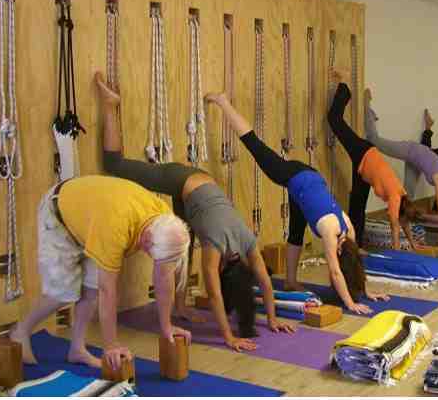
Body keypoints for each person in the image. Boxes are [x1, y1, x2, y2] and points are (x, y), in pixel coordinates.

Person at [95, 73, 293, 352]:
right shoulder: (214, 246)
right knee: (114, 165)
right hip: (181, 180)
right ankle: (110, 104)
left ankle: (179, 306)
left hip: (201, 187)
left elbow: (264, 282)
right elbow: (214, 294)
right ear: (224, 270)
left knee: (183, 248)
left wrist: (272, 318)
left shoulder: (248, 241)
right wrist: (229, 337)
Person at [205, 91, 388, 315]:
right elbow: (336, 271)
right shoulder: (332, 233)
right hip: (294, 176)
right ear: (340, 250)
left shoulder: (349, 229)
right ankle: (223, 101)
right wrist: (350, 304)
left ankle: (290, 281)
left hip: (309, 183)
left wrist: (367, 291)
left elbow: (355, 264)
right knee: (254, 145)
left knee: (296, 232)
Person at [10, 174, 191, 371]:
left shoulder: (168, 223)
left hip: (95, 218)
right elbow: (108, 290)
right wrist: (110, 345)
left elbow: (164, 277)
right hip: (59, 215)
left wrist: (166, 326)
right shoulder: (115, 231)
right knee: (62, 294)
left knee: (91, 289)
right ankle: (20, 331)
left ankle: (77, 349)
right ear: (146, 241)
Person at [328, 71, 429, 252]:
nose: (403, 223)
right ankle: (344, 90)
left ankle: (356, 246)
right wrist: (397, 253)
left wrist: (413, 244)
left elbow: (402, 224)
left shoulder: (402, 197)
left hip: (365, 170)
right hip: (364, 153)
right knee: (334, 120)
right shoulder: (396, 198)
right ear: (402, 212)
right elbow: (395, 226)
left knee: (357, 206)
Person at [364, 87, 438, 240]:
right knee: (375, 141)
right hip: (411, 150)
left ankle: (401, 226)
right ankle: (367, 105)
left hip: (416, 163)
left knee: (407, 196)